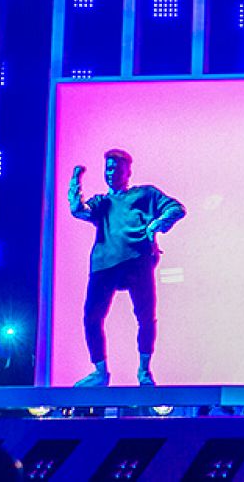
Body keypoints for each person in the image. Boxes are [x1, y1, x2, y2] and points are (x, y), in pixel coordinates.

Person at [67, 149, 186, 386]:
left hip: (137, 261)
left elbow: (177, 208)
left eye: (117, 168)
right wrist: (75, 181)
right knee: (92, 316)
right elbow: (79, 210)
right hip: (104, 264)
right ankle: (100, 372)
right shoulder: (102, 202)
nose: (111, 173)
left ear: (128, 171)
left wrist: (155, 225)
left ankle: (144, 370)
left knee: (145, 316)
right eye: (108, 168)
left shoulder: (144, 194)